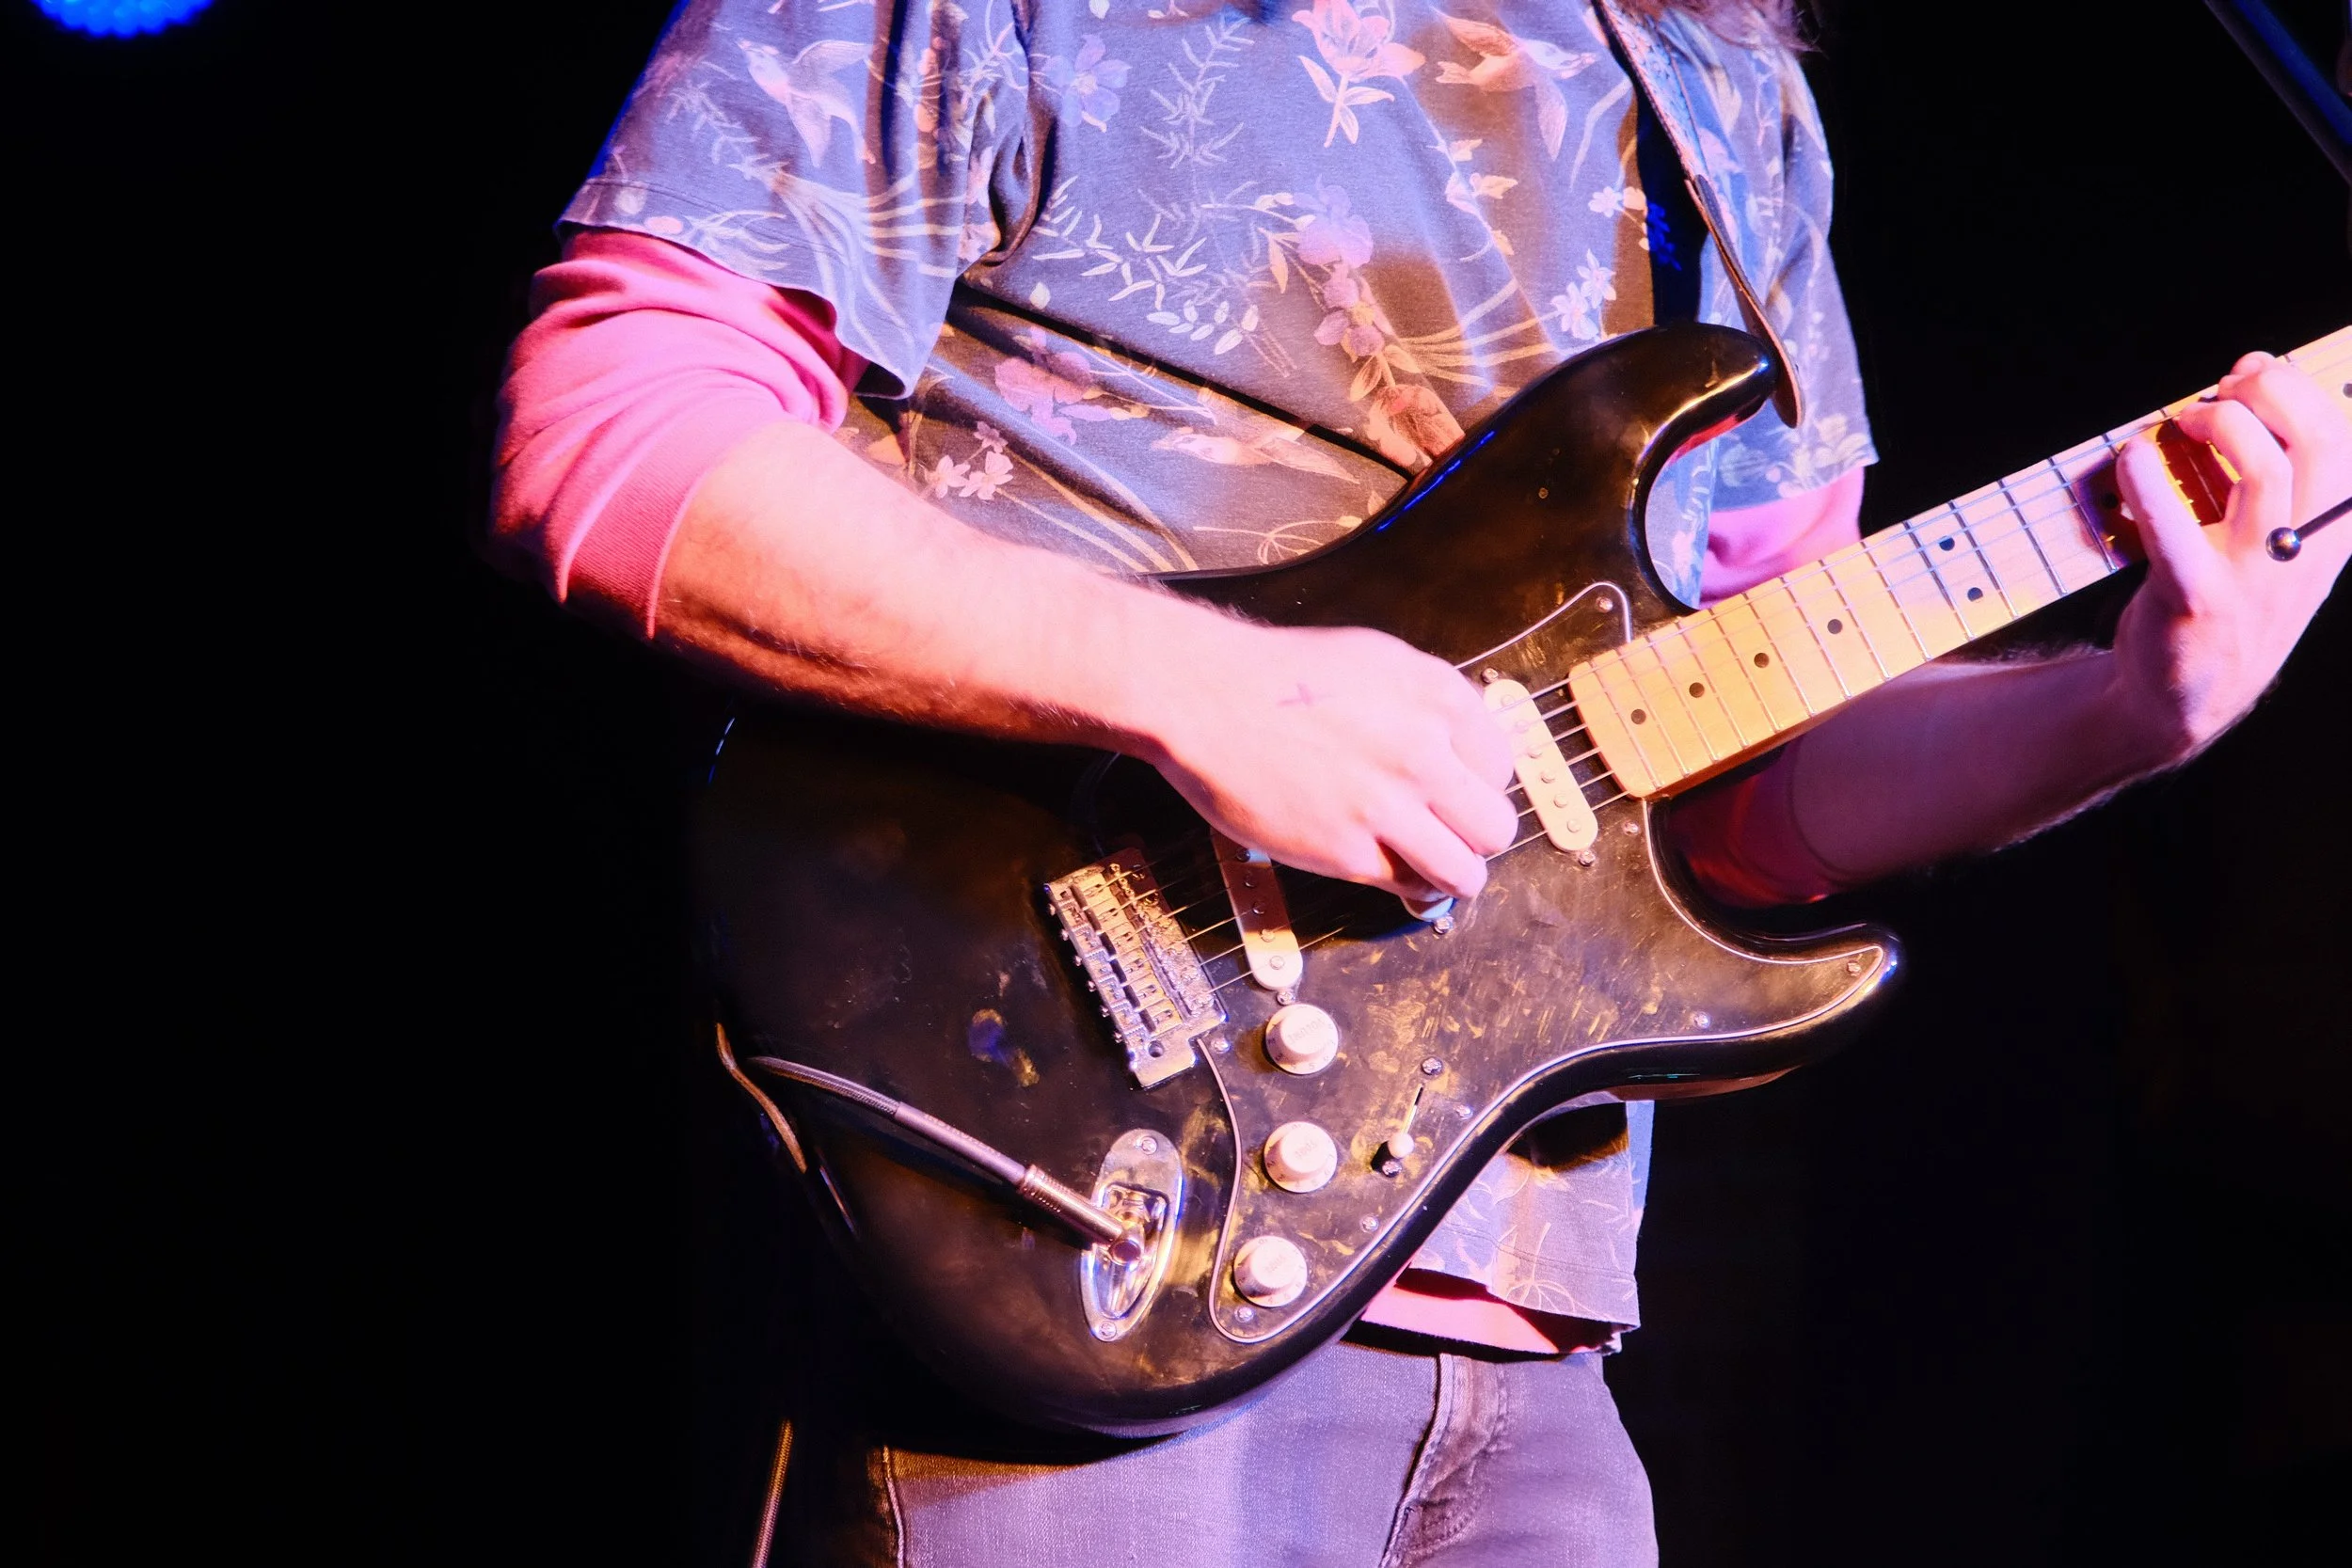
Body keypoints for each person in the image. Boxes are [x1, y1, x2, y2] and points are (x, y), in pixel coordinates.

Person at [490, 2, 2350, 1560]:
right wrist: (1186, 682)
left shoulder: (1718, 81)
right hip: (1074, 1218)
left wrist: (2121, 709)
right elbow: (617, 427)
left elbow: (1729, 790)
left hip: (1527, 1339)